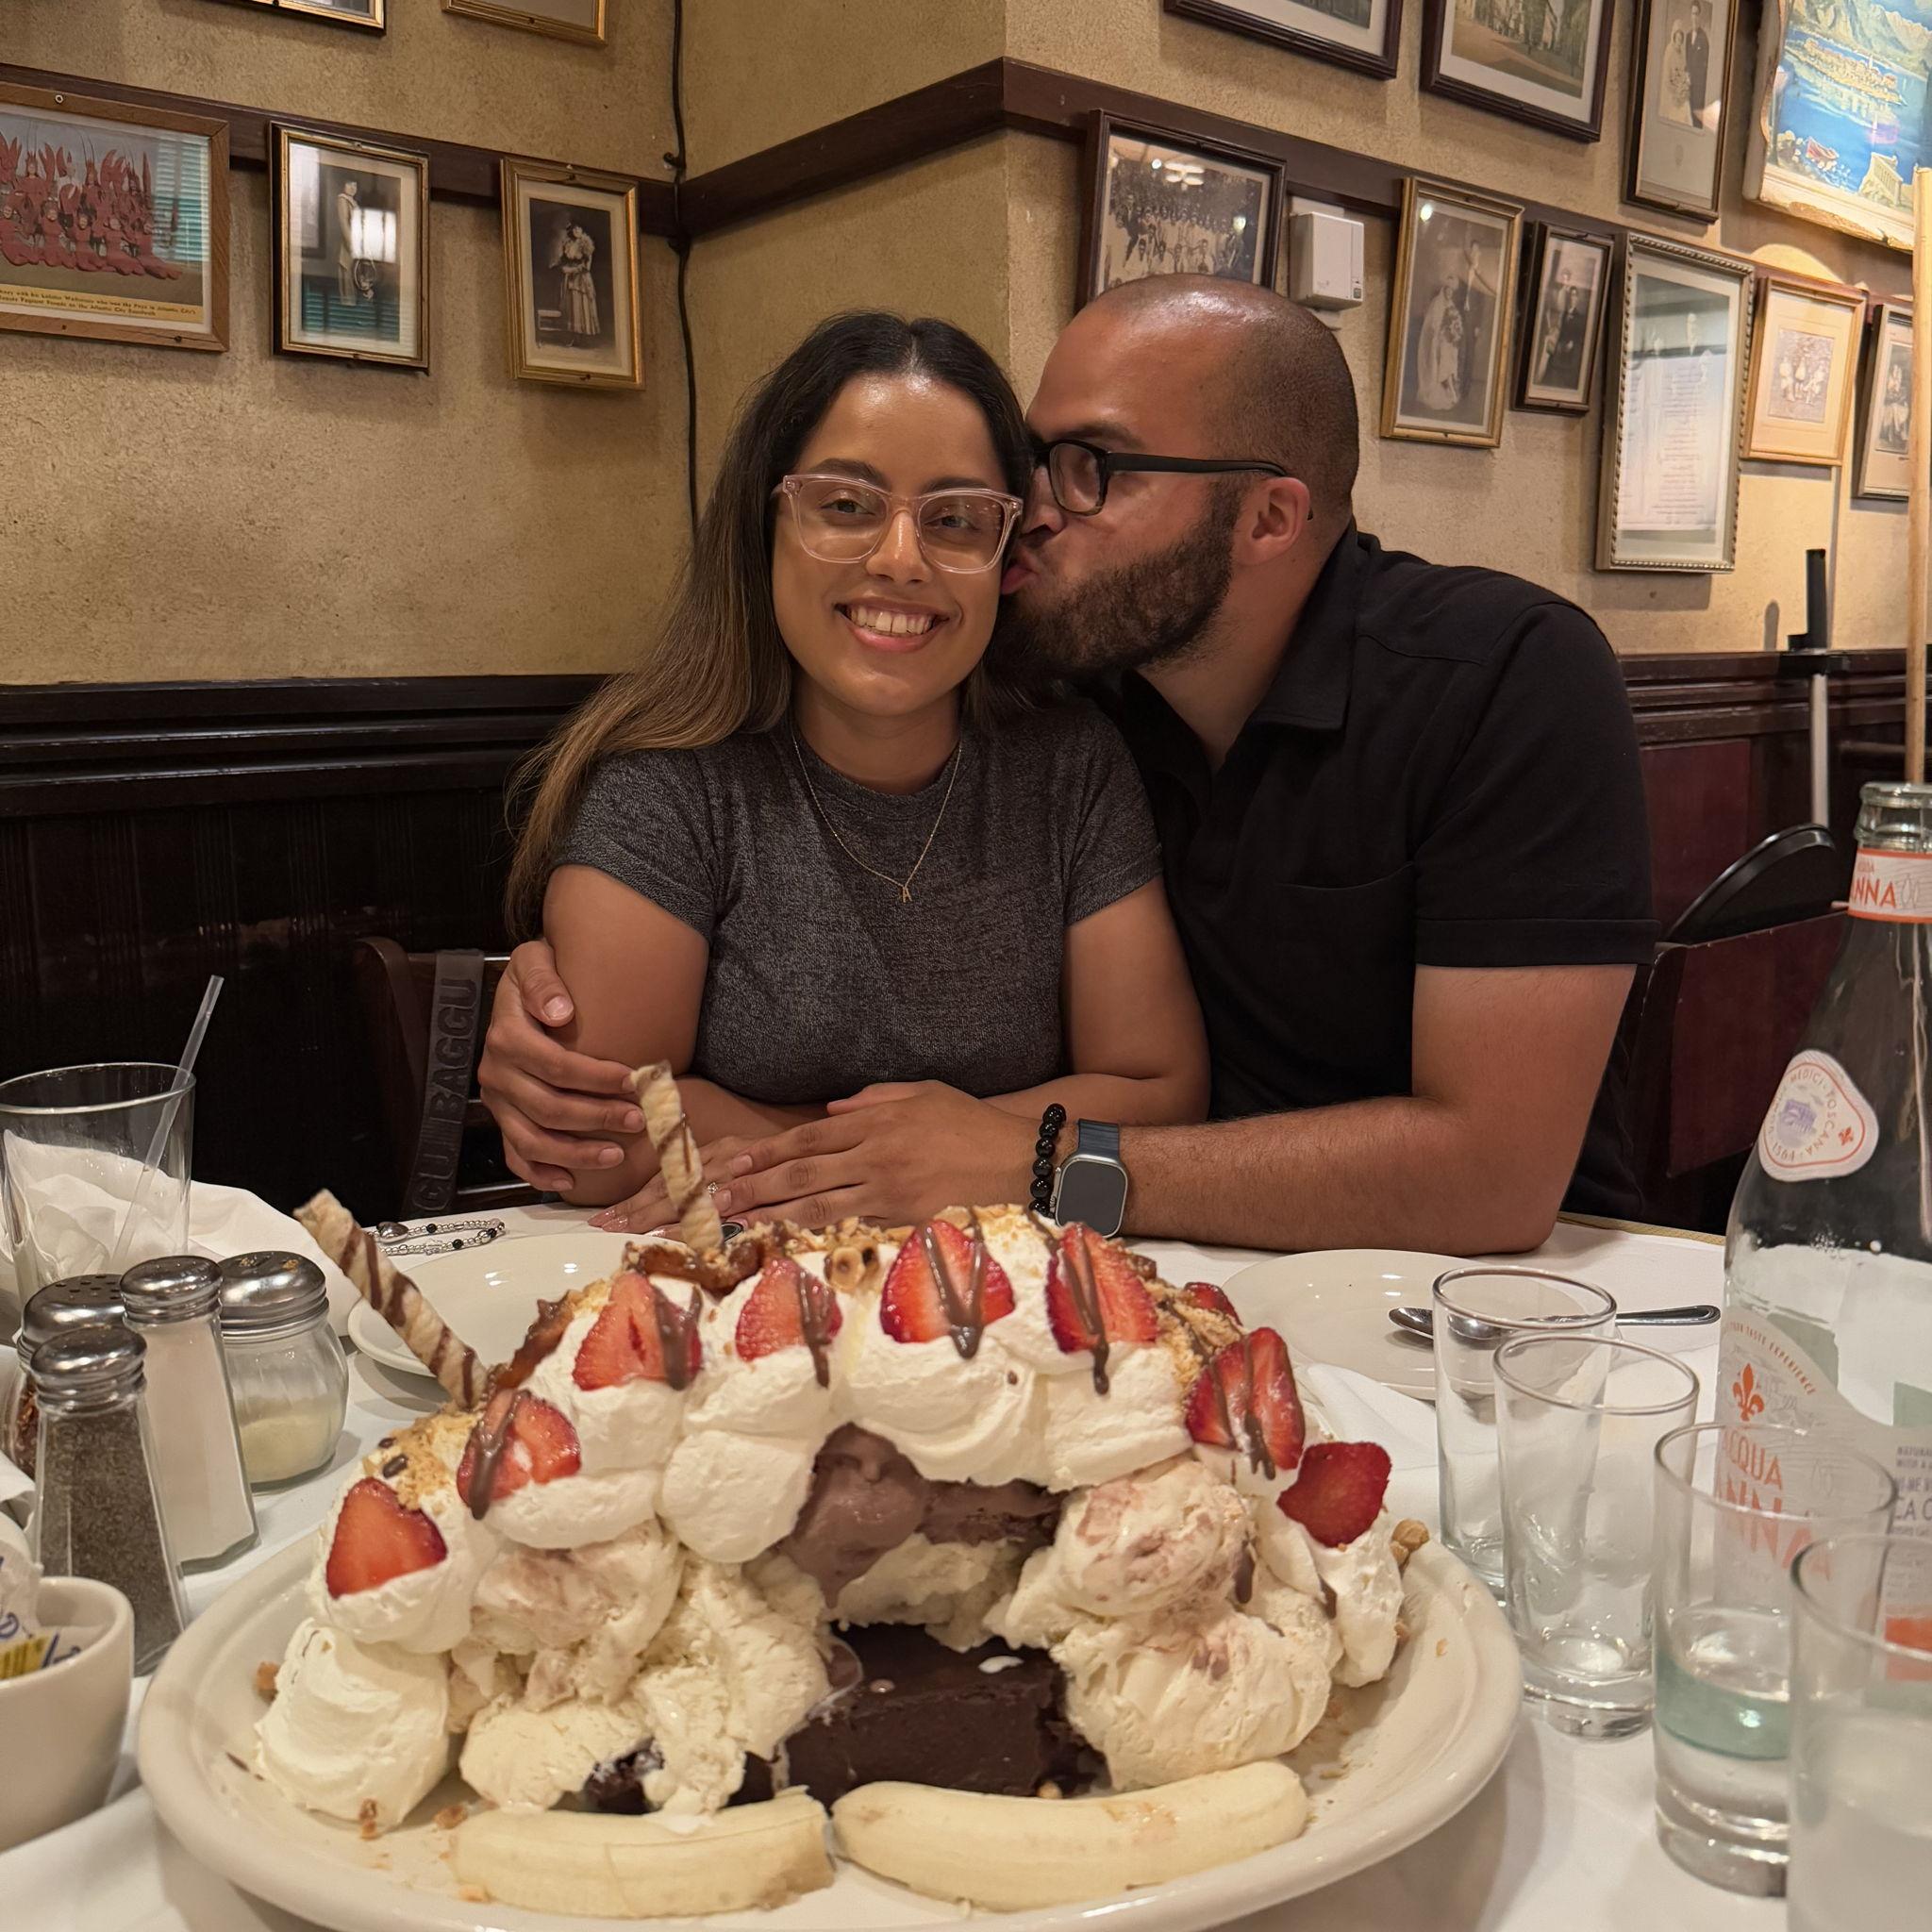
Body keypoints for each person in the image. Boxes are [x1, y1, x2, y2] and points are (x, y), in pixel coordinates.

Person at [483, 278, 1654, 1255]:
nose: (1031, 516)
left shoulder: (1502, 678)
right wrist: (536, 1003)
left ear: (1268, 517)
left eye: (1091, 466)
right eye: (1036, 464)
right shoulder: (1086, 684)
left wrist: (1027, 1161)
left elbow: (1492, 1177)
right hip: (1115, 1266)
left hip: (1490, 1310)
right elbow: (610, 1117)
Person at [491, 309, 1207, 1224]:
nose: (899, 560)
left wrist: (957, 1153)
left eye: (953, 519)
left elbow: (1160, 1085)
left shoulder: (1069, 764)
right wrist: (920, 1165)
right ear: (767, 522)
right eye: (845, 505)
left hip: (1012, 1305)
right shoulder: (669, 784)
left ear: (1006, 554)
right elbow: (602, 1141)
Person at [557, 218, 600, 344]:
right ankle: (573, 336)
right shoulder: (569, 243)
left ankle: (583, 338)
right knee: (572, 307)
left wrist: (572, 270)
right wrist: (563, 268)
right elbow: (564, 260)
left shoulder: (586, 244)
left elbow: (587, 267)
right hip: (569, 278)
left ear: (582, 230)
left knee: (582, 305)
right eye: (574, 228)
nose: (576, 230)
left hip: (582, 278)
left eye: (578, 228)